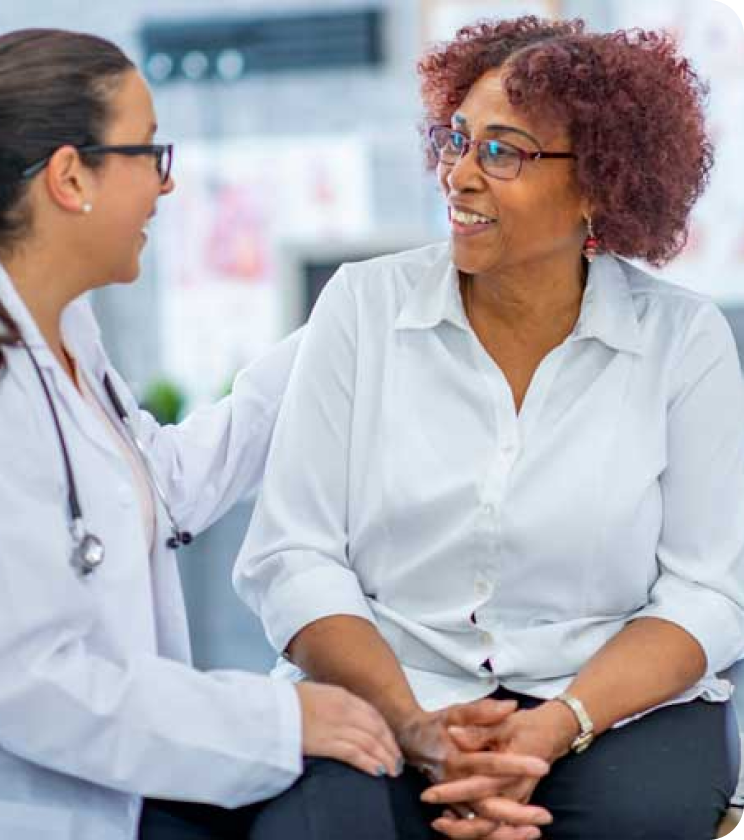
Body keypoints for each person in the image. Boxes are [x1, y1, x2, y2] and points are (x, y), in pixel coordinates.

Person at [0, 27, 554, 840]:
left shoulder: (63, 337)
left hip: (106, 776)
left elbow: (164, 483)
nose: (168, 185)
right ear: (69, 177)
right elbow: (36, 687)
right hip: (6, 807)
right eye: (150, 154)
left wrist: (355, 322)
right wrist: (278, 719)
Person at [234, 15, 744, 840]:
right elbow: (294, 554)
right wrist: (414, 727)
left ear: (600, 187)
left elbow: (708, 592)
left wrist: (557, 723)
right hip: (387, 684)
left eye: (501, 151)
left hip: (606, 700)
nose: (459, 175)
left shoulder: (683, 342)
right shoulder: (363, 308)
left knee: (634, 822)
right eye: (455, 139)